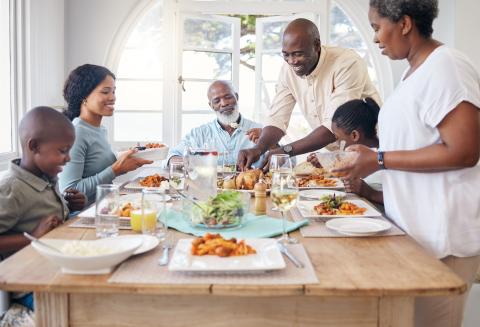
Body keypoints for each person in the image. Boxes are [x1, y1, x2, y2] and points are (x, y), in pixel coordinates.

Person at [336, 1, 480, 326]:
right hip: (415, 237)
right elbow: (415, 159)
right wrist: (370, 189)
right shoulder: (412, 74)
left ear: (404, 24)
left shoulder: (446, 66)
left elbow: (465, 150)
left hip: (444, 241)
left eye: (377, 27)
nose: (375, 38)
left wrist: (378, 159)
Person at [237, 18, 381, 170]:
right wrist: (258, 149)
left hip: (372, 149)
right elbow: (277, 118)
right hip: (339, 154)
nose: (292, 61)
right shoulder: (287, 71)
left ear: (317, 45)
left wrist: (285, 151)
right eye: (286, 55)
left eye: (298, 54)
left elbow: (336, 125)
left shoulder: (346, 63)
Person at [0, 106, 87, 310]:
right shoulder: (11, 190)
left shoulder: (45, 175)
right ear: (34, 146)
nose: (69, 158)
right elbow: (36, 228)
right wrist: (33, 236)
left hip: (57, 268)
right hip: (32, 285)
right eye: (63, 150)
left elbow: (43, 213)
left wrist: (69, 205)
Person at [60, 64, 152, 204]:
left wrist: (128, 158)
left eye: (114, 91)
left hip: (105, 207)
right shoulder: (77, 132)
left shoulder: (99, 129)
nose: (113, 97)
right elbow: (69, 190)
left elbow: (97, 165)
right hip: (83, 217)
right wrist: (115, 170)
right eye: (105, 92)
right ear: (84, 96)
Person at [167, 80, 266, 167]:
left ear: (236, 97)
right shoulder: (199, 134)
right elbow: (171, 156)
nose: (223, 103)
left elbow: (279, 158)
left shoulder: (260, 130)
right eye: (216, 101)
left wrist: (268, 143)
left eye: (228, 97)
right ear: (211, 106)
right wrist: (193, 163)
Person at [329, 98, 383, 205]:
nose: (336, 143)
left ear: (354, 135)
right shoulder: (355, 157)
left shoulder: (385, 159)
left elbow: (406, 200)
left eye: (337, 137)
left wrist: (369, 192)